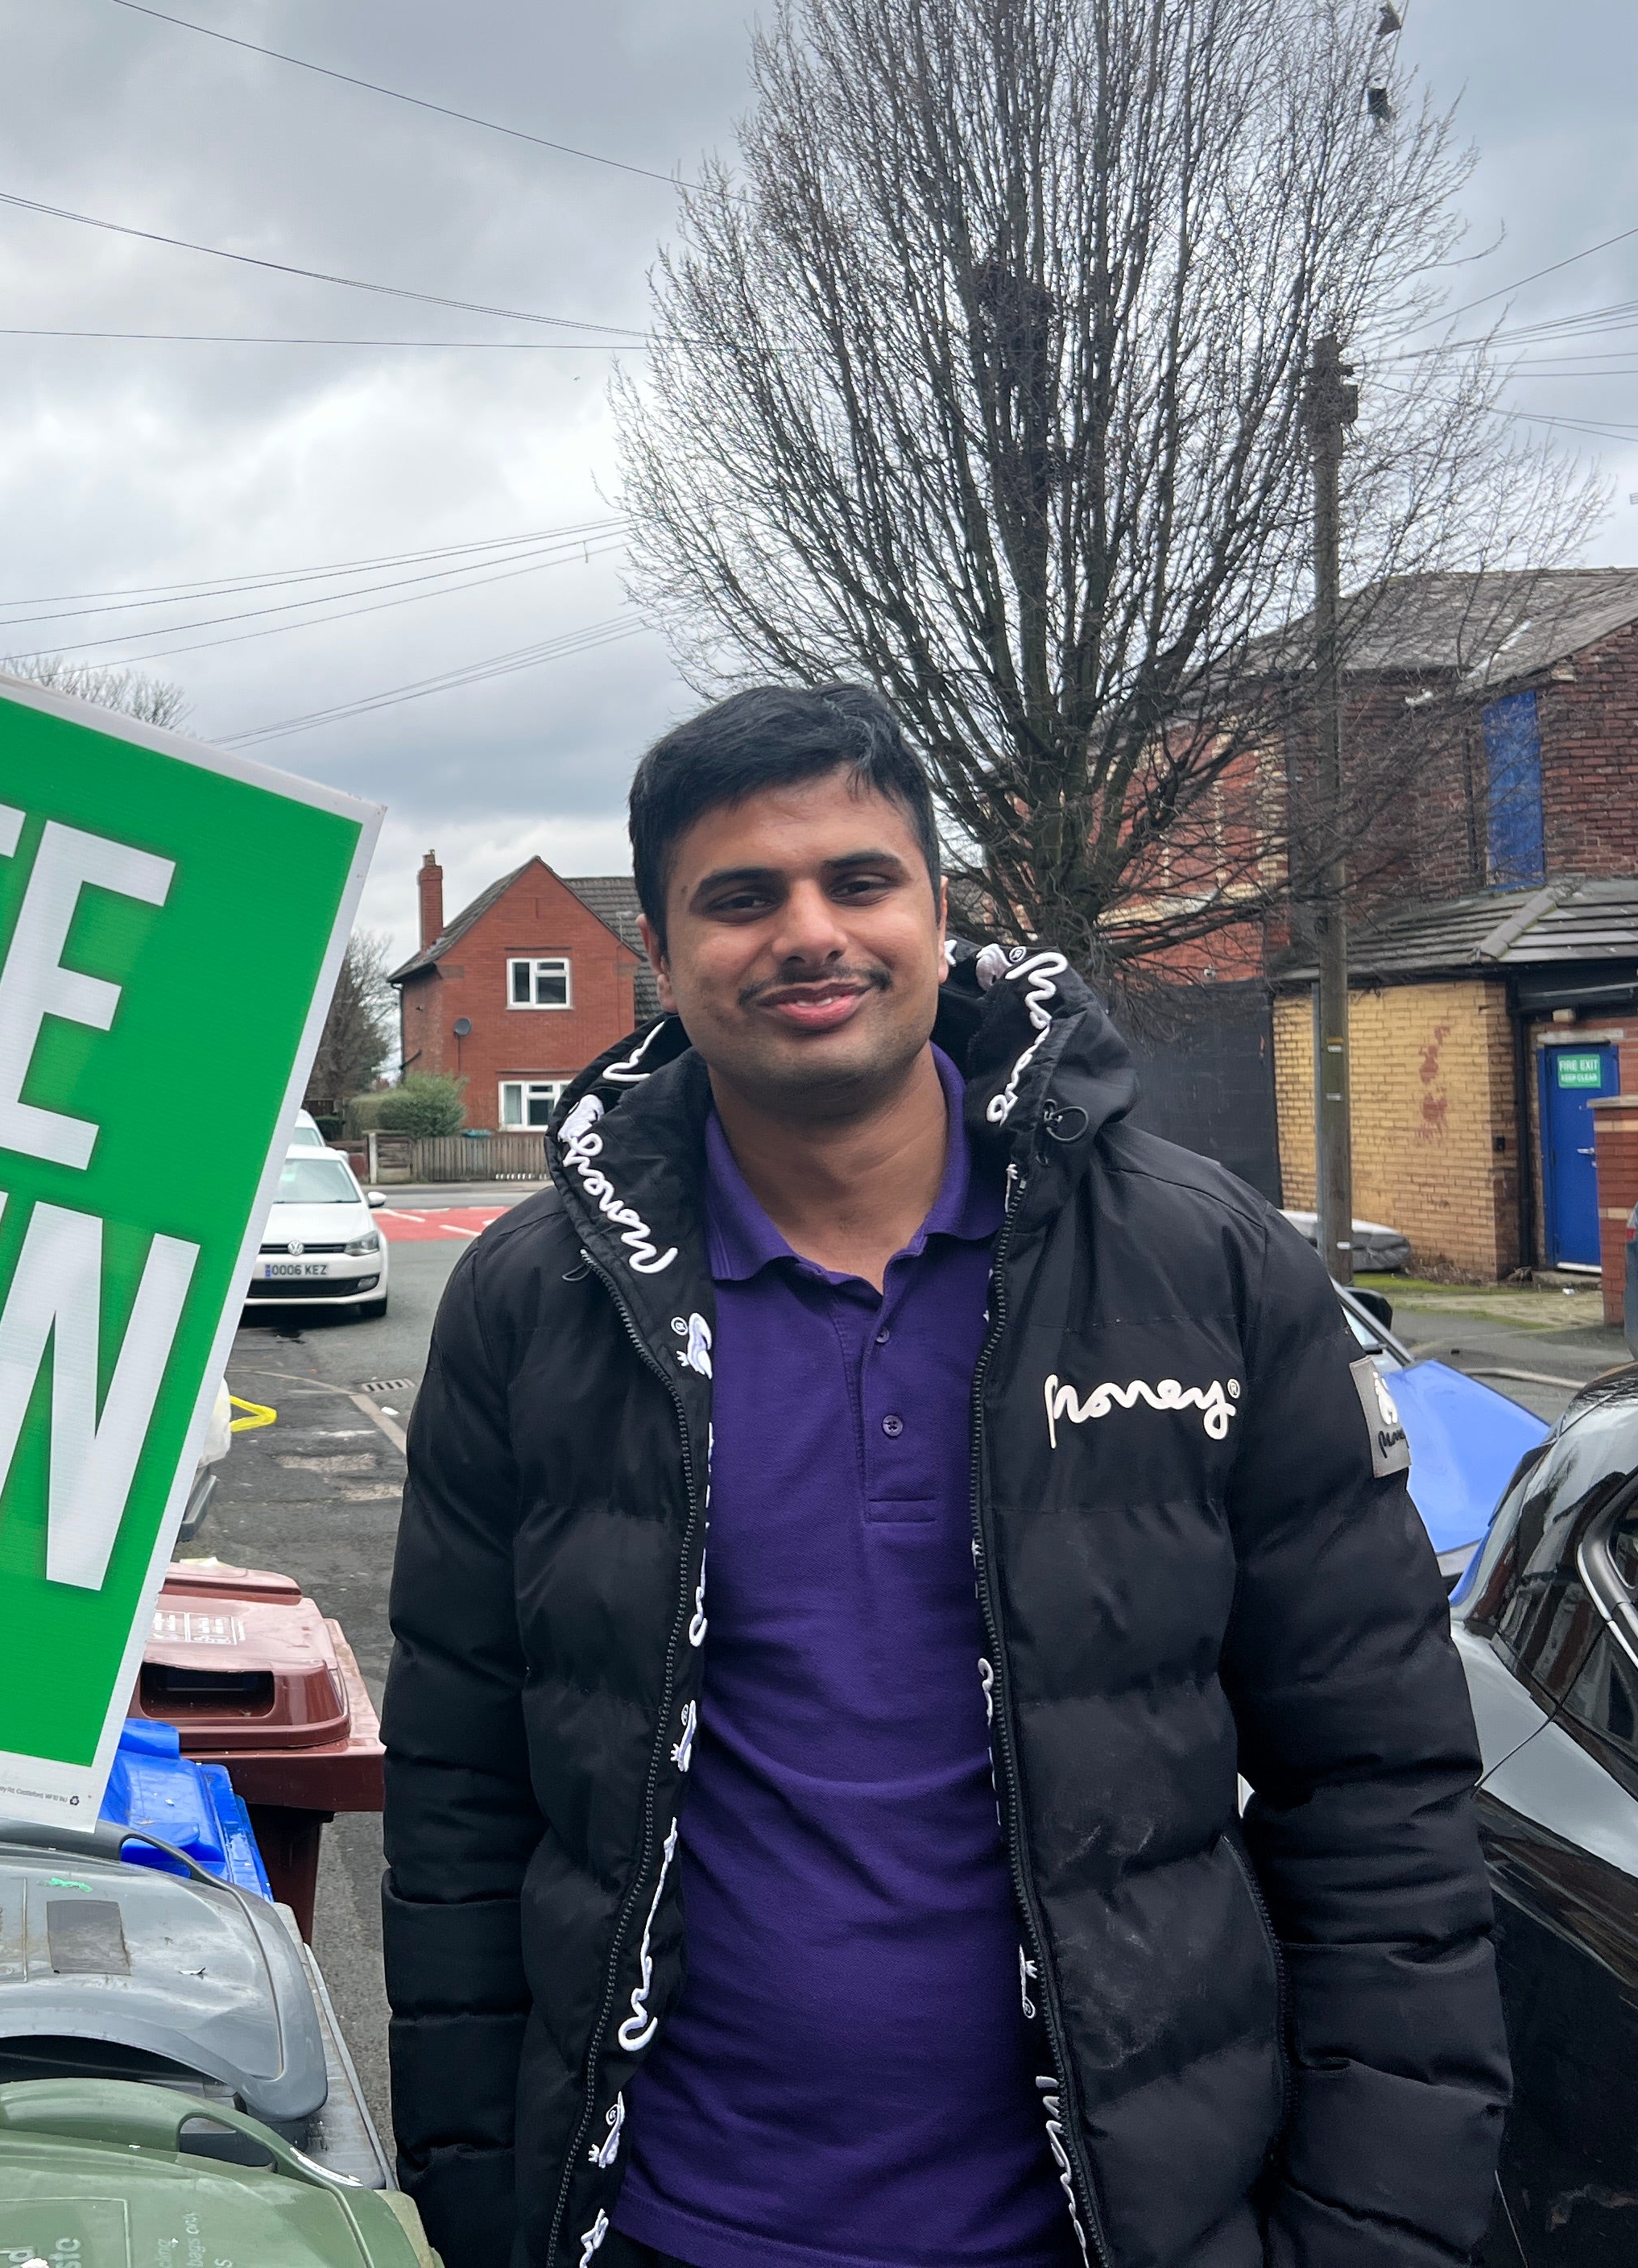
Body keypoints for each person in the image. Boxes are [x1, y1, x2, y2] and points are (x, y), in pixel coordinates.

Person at [380, 685, 1505, 2268]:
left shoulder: (1202, 1269)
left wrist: (1374, 2230)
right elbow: (459, 1790)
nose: (808, 933)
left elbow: (1377, 1787)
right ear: (663, 953)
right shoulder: (537, 1303)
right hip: (671, 2233)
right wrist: (489, 2200)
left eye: (858, 880)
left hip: (1116, 2232)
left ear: (936, 909)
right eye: (740, 897)